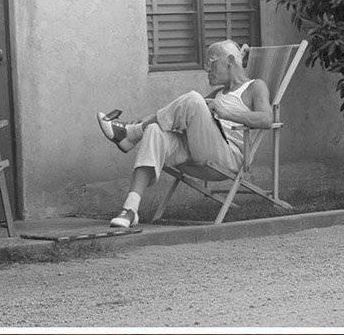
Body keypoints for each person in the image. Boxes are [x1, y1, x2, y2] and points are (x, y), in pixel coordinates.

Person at [96, 40, 273, 228]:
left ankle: (130, 134)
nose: (207, 69)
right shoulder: (217, 93)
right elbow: (187, 114)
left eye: (211, 62)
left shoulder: (255, 87)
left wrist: (225, 112)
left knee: (194, 99)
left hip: (228, 157)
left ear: (229, 61)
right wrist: (149, 119)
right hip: (200, 151)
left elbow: (266, 119)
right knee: (154, 130)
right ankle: (130, 209)